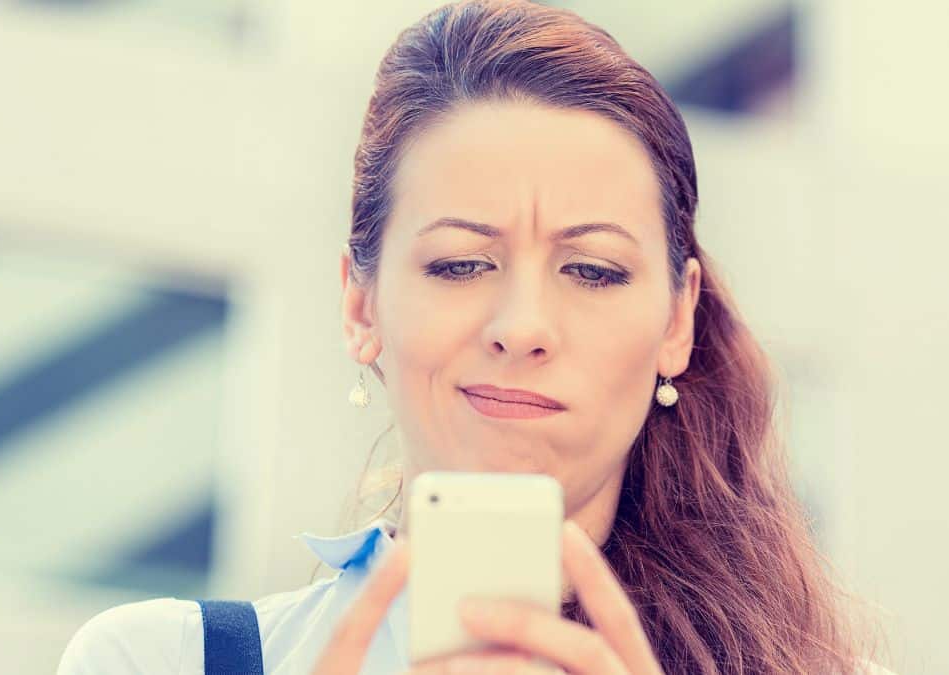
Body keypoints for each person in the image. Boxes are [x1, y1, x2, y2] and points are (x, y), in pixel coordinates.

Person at [58, 0, 896, 673]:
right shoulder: (156, 659)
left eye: (593, 270)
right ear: (360, 305)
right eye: (460, 264)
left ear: (677, 321)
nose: (522, 327)